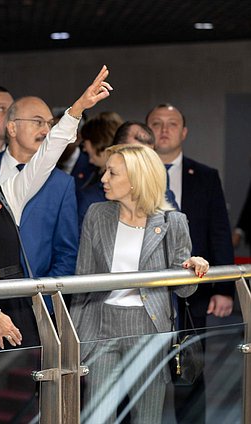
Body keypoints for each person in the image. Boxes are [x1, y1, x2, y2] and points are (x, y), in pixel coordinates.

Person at [0, 65, 113, 350]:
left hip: (19, 305)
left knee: (26, 384)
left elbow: (45, 159)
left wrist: (77, 109)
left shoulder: (5, 196)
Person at [70, 144, 208, 424]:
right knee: (97, 416)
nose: (103, 179)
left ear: (136, 179)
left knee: (147, 417)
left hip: (149, 328)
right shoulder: (97, 215)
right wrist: (74, 336)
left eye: (112, 173)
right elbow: (82, 281)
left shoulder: (173, 222)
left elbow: (184, 290)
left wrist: (193, 268)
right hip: (100, 327)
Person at [146, 103, 235, 423]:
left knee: (192, 372)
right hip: (147, 293)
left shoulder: (206, 176)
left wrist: (224, 289)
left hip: (193, 291)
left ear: (184, 132)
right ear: (147, 131)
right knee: (145, 375)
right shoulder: (137, 176)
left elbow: (219, 232)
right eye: (156, 123)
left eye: (172, 124)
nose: (164, 130)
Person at [0, 93, 79, 309]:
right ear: (12, 128)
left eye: (50, 123)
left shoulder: (61, 184)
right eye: (38, 122)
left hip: (39, 306)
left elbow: (66, 253)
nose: (46, 130)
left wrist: (43, 302)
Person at [76, 112, 124, 230]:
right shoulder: (90, 173)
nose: (84, 148)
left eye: (85, 142)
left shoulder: (117, 185)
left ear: (98, 142)